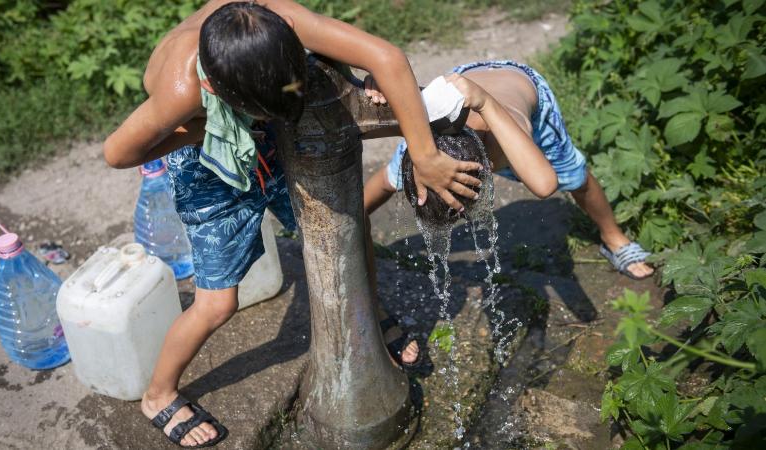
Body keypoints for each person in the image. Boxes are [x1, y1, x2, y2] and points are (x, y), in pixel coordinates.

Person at [103, 1, 483, 447]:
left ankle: (368, 317)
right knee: (218, 304)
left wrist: (425, 154)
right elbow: (118, 153)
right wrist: (205, 127)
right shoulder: (183, 89)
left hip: (265, 123)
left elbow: (387, 57)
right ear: (214, 90)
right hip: (208, 163)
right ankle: (158, 394)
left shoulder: (277, 18)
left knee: (347, 224)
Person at [363, 61, 654, 280]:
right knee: (390, 178)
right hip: (454, 96)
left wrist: (484, 101)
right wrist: (378, 89)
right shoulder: (421, 131)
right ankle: (357, 215)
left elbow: (544, 184)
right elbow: (370, 121)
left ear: (486, 171)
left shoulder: (511, 136)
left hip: (516, 91)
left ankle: (614, 238)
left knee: (576, 178)